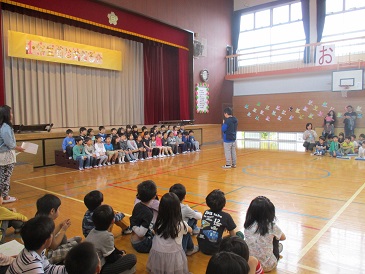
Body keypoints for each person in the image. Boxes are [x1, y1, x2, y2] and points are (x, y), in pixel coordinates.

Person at [146, 192, 191, 274]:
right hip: (173, 257)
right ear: (178, 208)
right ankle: (191, 248)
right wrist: (188, 227)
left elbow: (153, 231)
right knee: (187, 232)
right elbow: (189, 230)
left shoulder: (158, 221)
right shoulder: (180, 224)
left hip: (157, 256)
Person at [85, 205, 137, 274]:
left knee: (122, 253)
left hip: (90, 264)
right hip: (99, 268)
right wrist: (120, 256)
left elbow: (110, 247)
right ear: (113, 221)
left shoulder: (93, 231)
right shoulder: (107, 236)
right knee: (132, 258)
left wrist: (120, 253)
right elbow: (111, 259)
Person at [36, 194, 81, 264]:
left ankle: (70, 243)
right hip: (46, 256)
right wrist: (63, 230)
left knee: (64, 237)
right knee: (75, 249)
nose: (59, 210)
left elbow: (51, 233)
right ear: (52, 211)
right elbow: (54, 246)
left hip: (40, 250)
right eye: (59, 209)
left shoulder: (38, 219)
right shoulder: (48, 224)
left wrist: (60, 226)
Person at [244, 196, 286, 272]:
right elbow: (283, 237)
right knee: (276, 238)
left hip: (251, 265)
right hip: (268, 265)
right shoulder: (271, 226)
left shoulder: (248, 226)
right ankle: (276, 251)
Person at [197, 189, 237, 255]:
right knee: (238, 234)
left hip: (201, 246)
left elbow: (207, 225)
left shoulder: (206, 212)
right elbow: (233, 235)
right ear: (224, 204)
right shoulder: (226, 216)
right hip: (215, 249)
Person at [0, 105, 25, 203]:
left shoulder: (2, 126)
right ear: (6, 114)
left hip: (3, 155)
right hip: (6, 156)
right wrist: (17, 147)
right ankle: (5, 197)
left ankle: (2, 196)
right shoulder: (5, 127)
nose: (12, 114)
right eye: (10, 112)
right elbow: (9, 142)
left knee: (2, 176)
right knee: (5, 176)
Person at [169, 183, 201, 255]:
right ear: (184, 197)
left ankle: (190, 247)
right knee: (186, 230)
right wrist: (199, 213)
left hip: (169, 228)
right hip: (179, 228)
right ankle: (184, 249)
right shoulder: (185, 208)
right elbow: (199, 217)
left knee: (188, 222)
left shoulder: (166, 205)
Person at [130, 180, 157, 253]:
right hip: (141, 244)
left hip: (134, 240)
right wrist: (133, 226)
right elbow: (141, 233)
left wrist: (132, 224)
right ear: (154, 196)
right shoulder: (148, 213)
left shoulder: (138, 205)